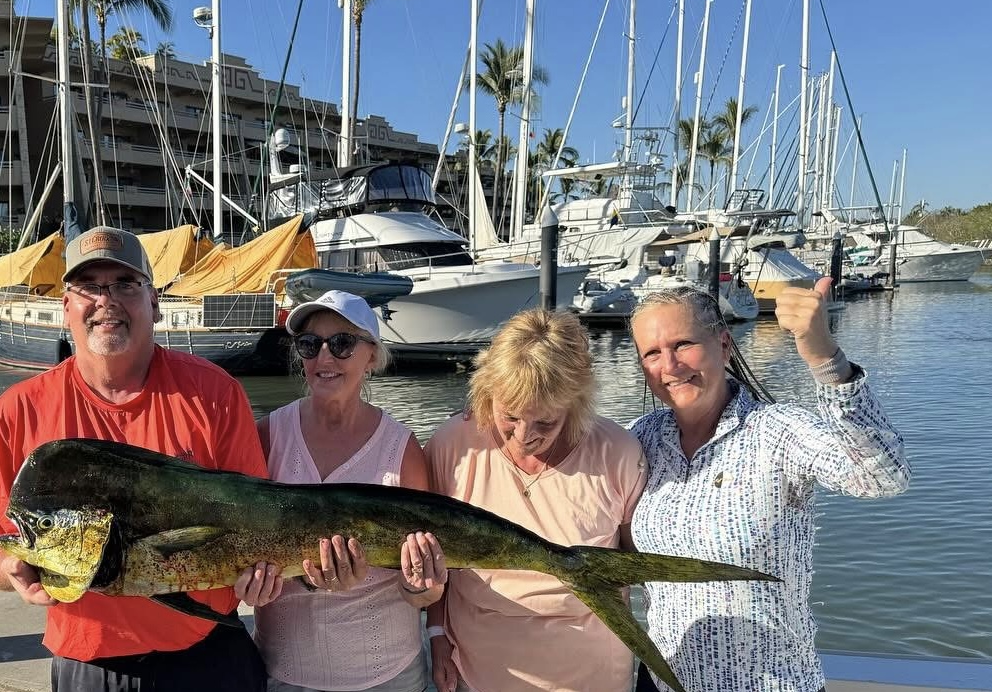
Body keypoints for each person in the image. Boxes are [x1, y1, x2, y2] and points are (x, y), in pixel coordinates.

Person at [0, 225, 269, 692]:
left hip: (209, 654)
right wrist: (13, 570)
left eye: (126, 285)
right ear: (66, 307)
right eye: (88, 286)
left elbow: (260, 519)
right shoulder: (13, 412)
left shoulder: (215, 393)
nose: (106, 300)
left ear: (154, 302)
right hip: (91, 667)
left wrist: (264, 576)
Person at [627, 279, 911, 692]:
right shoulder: (640, 439)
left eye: (683, 344)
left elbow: (884, 476)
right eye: (652, 353)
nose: (669, 365)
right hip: (664, 682)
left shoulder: (776, 432)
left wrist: (824, 357)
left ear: (724, 345)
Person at [424, 308, 647, 692]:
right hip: (479, 671)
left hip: (592, 674)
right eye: (509, 416)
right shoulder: (451, 446)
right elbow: (432, 553)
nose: (524, 436)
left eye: (546, 422)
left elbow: (636, 564)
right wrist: (437, 634)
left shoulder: (617, 453)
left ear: (576, 405)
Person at [235, 290, 446, 692]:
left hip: (389, 676)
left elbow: (426, 590)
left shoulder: (403, 450)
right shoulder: (264, 437)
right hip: (284, 672)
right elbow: (241, 545)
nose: (325, 358)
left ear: (372, 357)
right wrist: (247, 585)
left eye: (343, 343)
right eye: (310, 344)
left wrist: (422, 586)